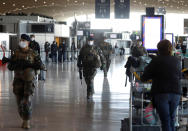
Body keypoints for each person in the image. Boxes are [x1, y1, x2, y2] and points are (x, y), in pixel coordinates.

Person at [2, 34, 45, 129]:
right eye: (21, 40)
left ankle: (26, 121)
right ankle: (24, 116)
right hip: (18, 80)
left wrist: (32, 66)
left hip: (29, 80)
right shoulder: (16, 53)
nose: (21, 42)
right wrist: (15, 65)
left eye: (23, 40)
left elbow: (41, 65)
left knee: (26, 101)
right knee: (19, 102)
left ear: (28, 42)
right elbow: (10, 67)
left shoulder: (33, 53)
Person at [140, 40, 182, 131]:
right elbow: (179, 76)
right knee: (172, 119)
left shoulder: (155, 61)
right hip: (176, 93)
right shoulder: (177, 60)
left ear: (158, 49)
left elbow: (144, 77)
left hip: (161, 93)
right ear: (170, 49)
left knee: (165, 120)